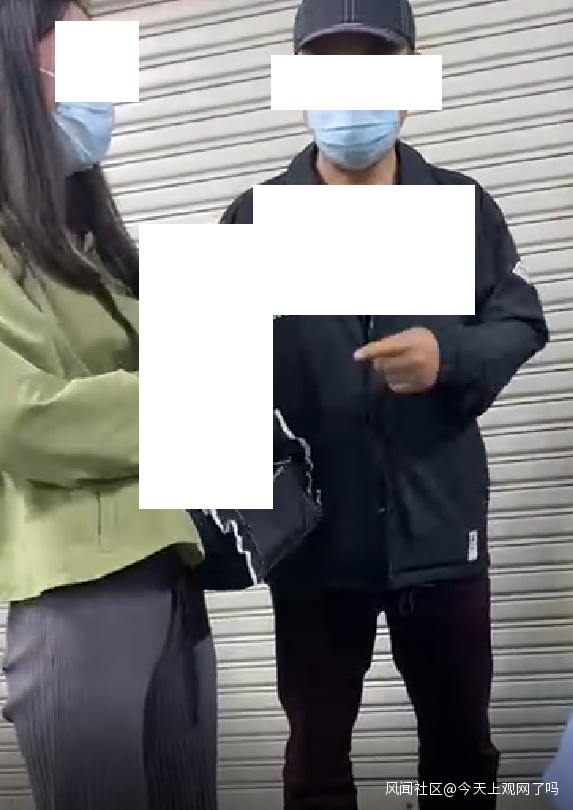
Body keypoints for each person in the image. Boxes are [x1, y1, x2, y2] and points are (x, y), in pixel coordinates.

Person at [220, 0, 550, 807]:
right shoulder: (252, 220)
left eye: (372, 65)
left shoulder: (460, 206)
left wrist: (449, 357)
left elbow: (520, 319)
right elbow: (212, 386)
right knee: (315, 763)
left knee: (460, 759)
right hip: (312, 551)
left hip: (440, 539)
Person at [0, 2, 216, 809]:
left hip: (172, 573)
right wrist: (195, 397)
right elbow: (24, 419)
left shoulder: (98, 250)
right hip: (77, 590)